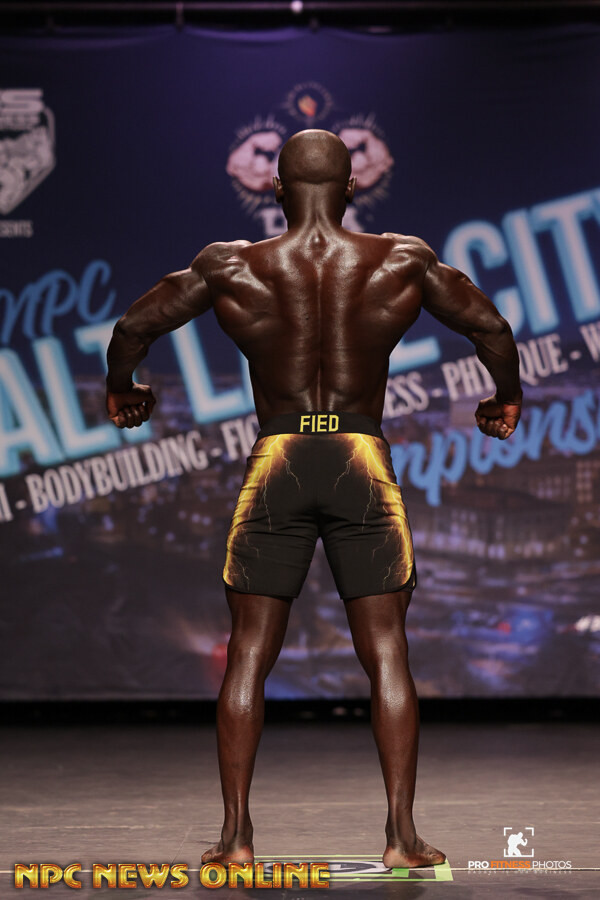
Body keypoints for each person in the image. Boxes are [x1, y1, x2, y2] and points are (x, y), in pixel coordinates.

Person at [105, 129, 522, 869]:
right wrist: (504, 398)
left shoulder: (232, 265)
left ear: (276, 190)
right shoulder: (402, 260)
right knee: (387, 652)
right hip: (360, 457)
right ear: (352, 187)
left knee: (248, 654)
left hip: (281, 458)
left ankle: (236, 840)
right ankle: (401, 837)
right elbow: (490, 325)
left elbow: (135, 326)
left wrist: (123, 389)